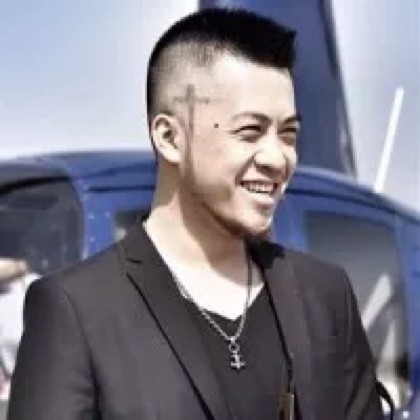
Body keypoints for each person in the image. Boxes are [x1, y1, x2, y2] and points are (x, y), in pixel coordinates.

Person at [8, 8, 383, 419]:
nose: (278, 158)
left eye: (288, 134)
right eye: (250, 132)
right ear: (170, 137)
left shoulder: (325, 296)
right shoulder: (76, 309)